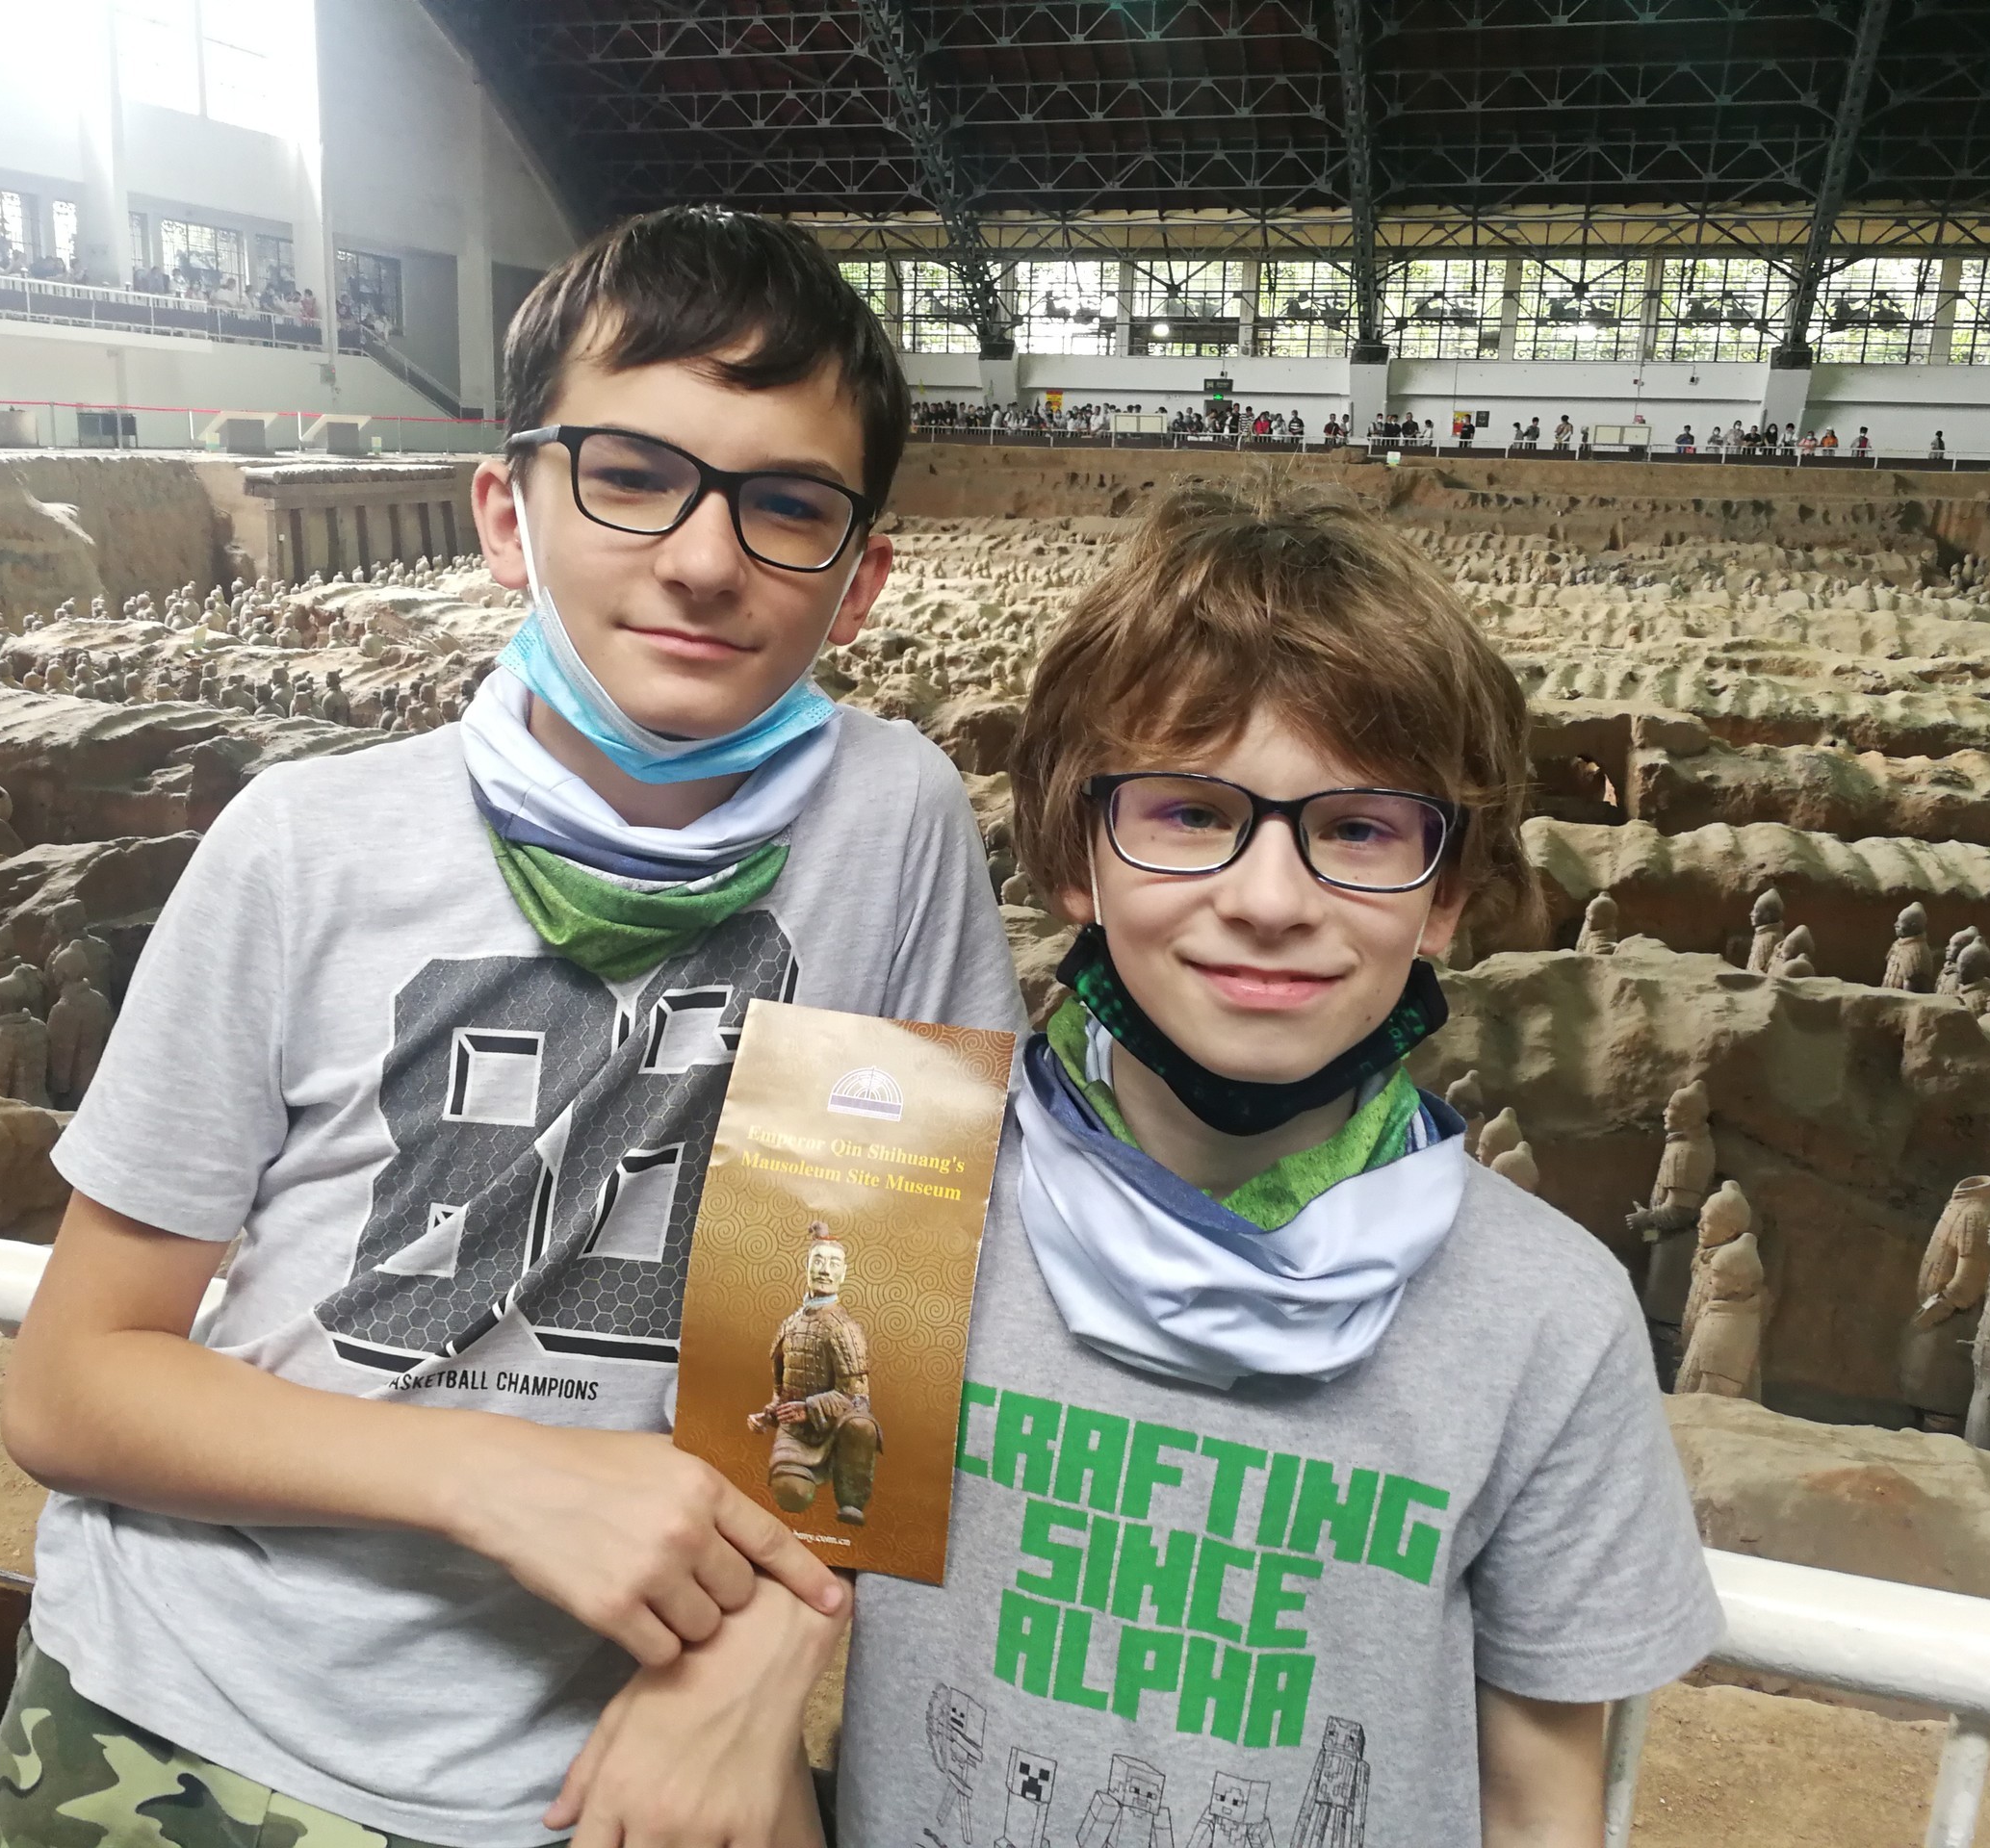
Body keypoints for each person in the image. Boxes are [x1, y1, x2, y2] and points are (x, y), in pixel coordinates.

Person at [0, 207, 1025, 1848]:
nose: (702, 558)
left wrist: (748, 1673)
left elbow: (865, 1326)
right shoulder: (304, 847)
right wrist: (494, 1476)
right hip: (187, 1726)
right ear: (506, 513)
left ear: (861, 579)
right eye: (630, 475)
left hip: (613, 1773)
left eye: (787, 506)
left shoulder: (886, 827)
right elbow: (73, 1386)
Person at [553, 486, 1725, 1845]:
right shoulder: (877, 1197)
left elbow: (1538, 1798)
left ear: (1447, 894)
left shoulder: (1551, 1317)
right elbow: (737, 1645)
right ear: (1073, 857)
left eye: (1360, 829)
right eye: (1188, 812)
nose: (1270, 900)